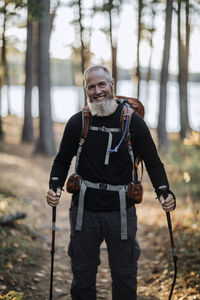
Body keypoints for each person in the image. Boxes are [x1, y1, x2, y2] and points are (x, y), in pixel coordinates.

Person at [46, 65, 176, 300]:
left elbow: (154, 163)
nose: (97, 91)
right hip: (84, 211)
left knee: (125, 275)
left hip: (121, 213)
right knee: (82, 275)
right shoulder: (78, 122)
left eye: (102, 84)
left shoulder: (132, 122)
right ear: (86, 89)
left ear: (112, 83)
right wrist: (54, 186)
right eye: (91, 87)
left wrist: (164, 192)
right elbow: (61, 160)